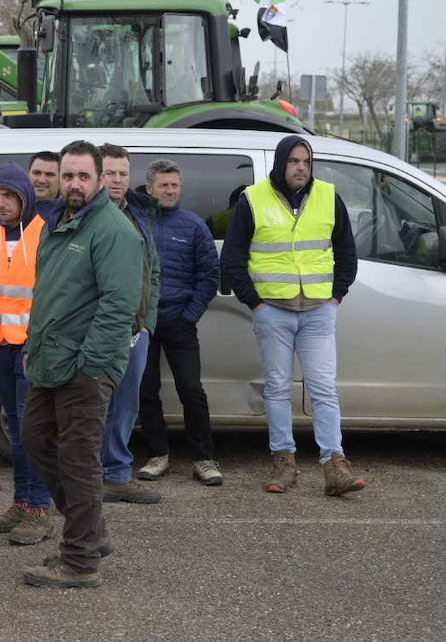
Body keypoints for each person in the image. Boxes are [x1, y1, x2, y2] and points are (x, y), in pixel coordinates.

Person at [20, 140, 143, 589]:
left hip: (84, 367)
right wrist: (34, 344)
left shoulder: (112, 230)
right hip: (50, 359)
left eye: (82, 177)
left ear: (99, 179)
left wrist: (90, 364)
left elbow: (119, 304)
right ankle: (90, 532)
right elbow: (49, 295)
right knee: (35, 439)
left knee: (77, 458)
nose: (73, 184)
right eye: (66, 176)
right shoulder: (60, 223)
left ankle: (79, 561)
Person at [219, 135, 365, 496]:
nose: (301, 167)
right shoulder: (253, 199)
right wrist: (255, 303)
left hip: (318, 311)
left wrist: (336, 297)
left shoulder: (329, 196)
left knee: (323, 390)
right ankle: (283, 463)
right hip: (273, 312)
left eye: (306, 161)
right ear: (281, 163)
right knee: (278, 389)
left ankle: (335, 464)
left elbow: (347, 251)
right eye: (294, 161)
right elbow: (233, 258)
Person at [134, 159, 222, 487]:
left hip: (180, 322)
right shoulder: (136, 221)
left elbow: (208, 275)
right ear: (149, 188)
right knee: (146, 390)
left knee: (191, 390)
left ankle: (204, 458)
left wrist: (190, 314)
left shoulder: (194, 226)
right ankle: (158, 455)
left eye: (175, 185)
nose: (170, 191)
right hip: (144, 323)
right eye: (164, 185)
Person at [0, 162, 53, 546]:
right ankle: (21, 501)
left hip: (29, 348)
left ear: (24, 197)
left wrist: (36, 342)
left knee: (32, 430)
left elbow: (50, 292)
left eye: (10, 196)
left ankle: (39, 508)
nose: (3, 203)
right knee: (16, 432)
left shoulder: (44, 232)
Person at [98, 144, 163, 506]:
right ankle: (90, 475)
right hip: (101, 330)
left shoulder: (138, 215)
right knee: (94, 403)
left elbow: (153, 271)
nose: (118, 179)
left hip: (136, 331)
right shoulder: (89, 216)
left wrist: (148, 323)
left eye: (123, 173)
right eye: (110, 172)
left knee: (126, 404)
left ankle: (118, 474)